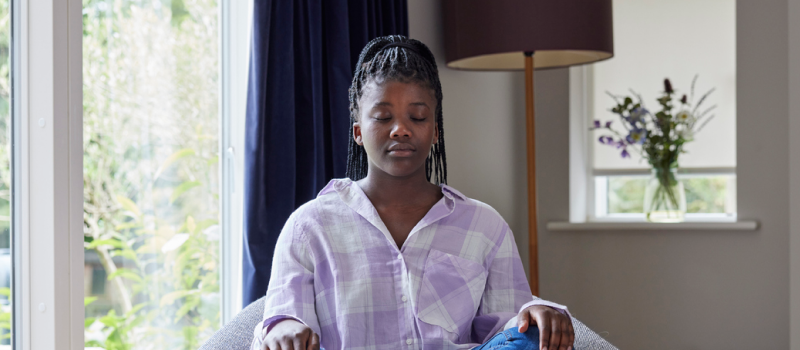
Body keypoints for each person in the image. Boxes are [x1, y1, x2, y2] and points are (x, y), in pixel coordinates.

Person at [251, 35, 575, 350]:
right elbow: (284, 315)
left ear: (434, 131)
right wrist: (283, 327)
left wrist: (535, 313)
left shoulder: (484, 225)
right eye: (383, 117)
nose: (400, 129)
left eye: (417, 116)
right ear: (358, 132)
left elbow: (508, 327)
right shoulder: (309, 225)